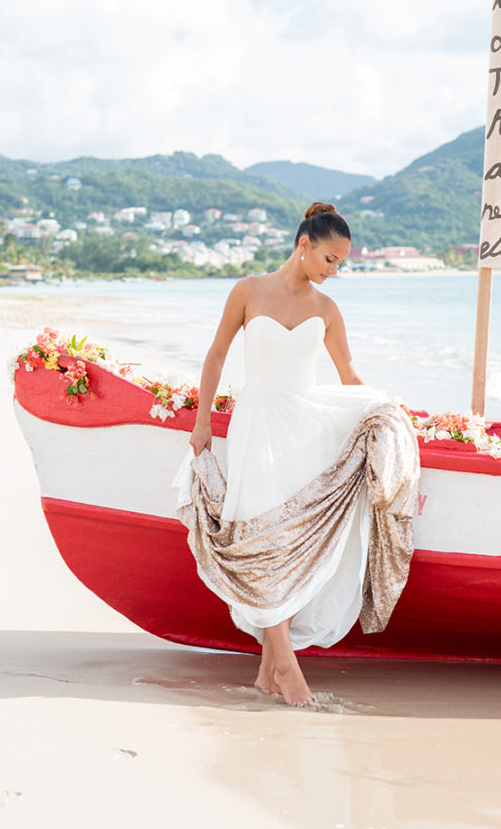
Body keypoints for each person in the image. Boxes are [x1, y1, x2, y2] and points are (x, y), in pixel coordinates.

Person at [175, 201, 419, 708]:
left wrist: (389, 416)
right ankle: (285, 666)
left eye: (341, 264)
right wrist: (202, 421)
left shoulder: (327, 310)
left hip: (303, 432)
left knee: (284, 545)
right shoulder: (247, 291)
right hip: (255, 424)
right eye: (330, 259)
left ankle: (270, 672)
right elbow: (217, 354)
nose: (334, 271)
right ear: (304, 245)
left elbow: (349, 376)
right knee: (260, 535)